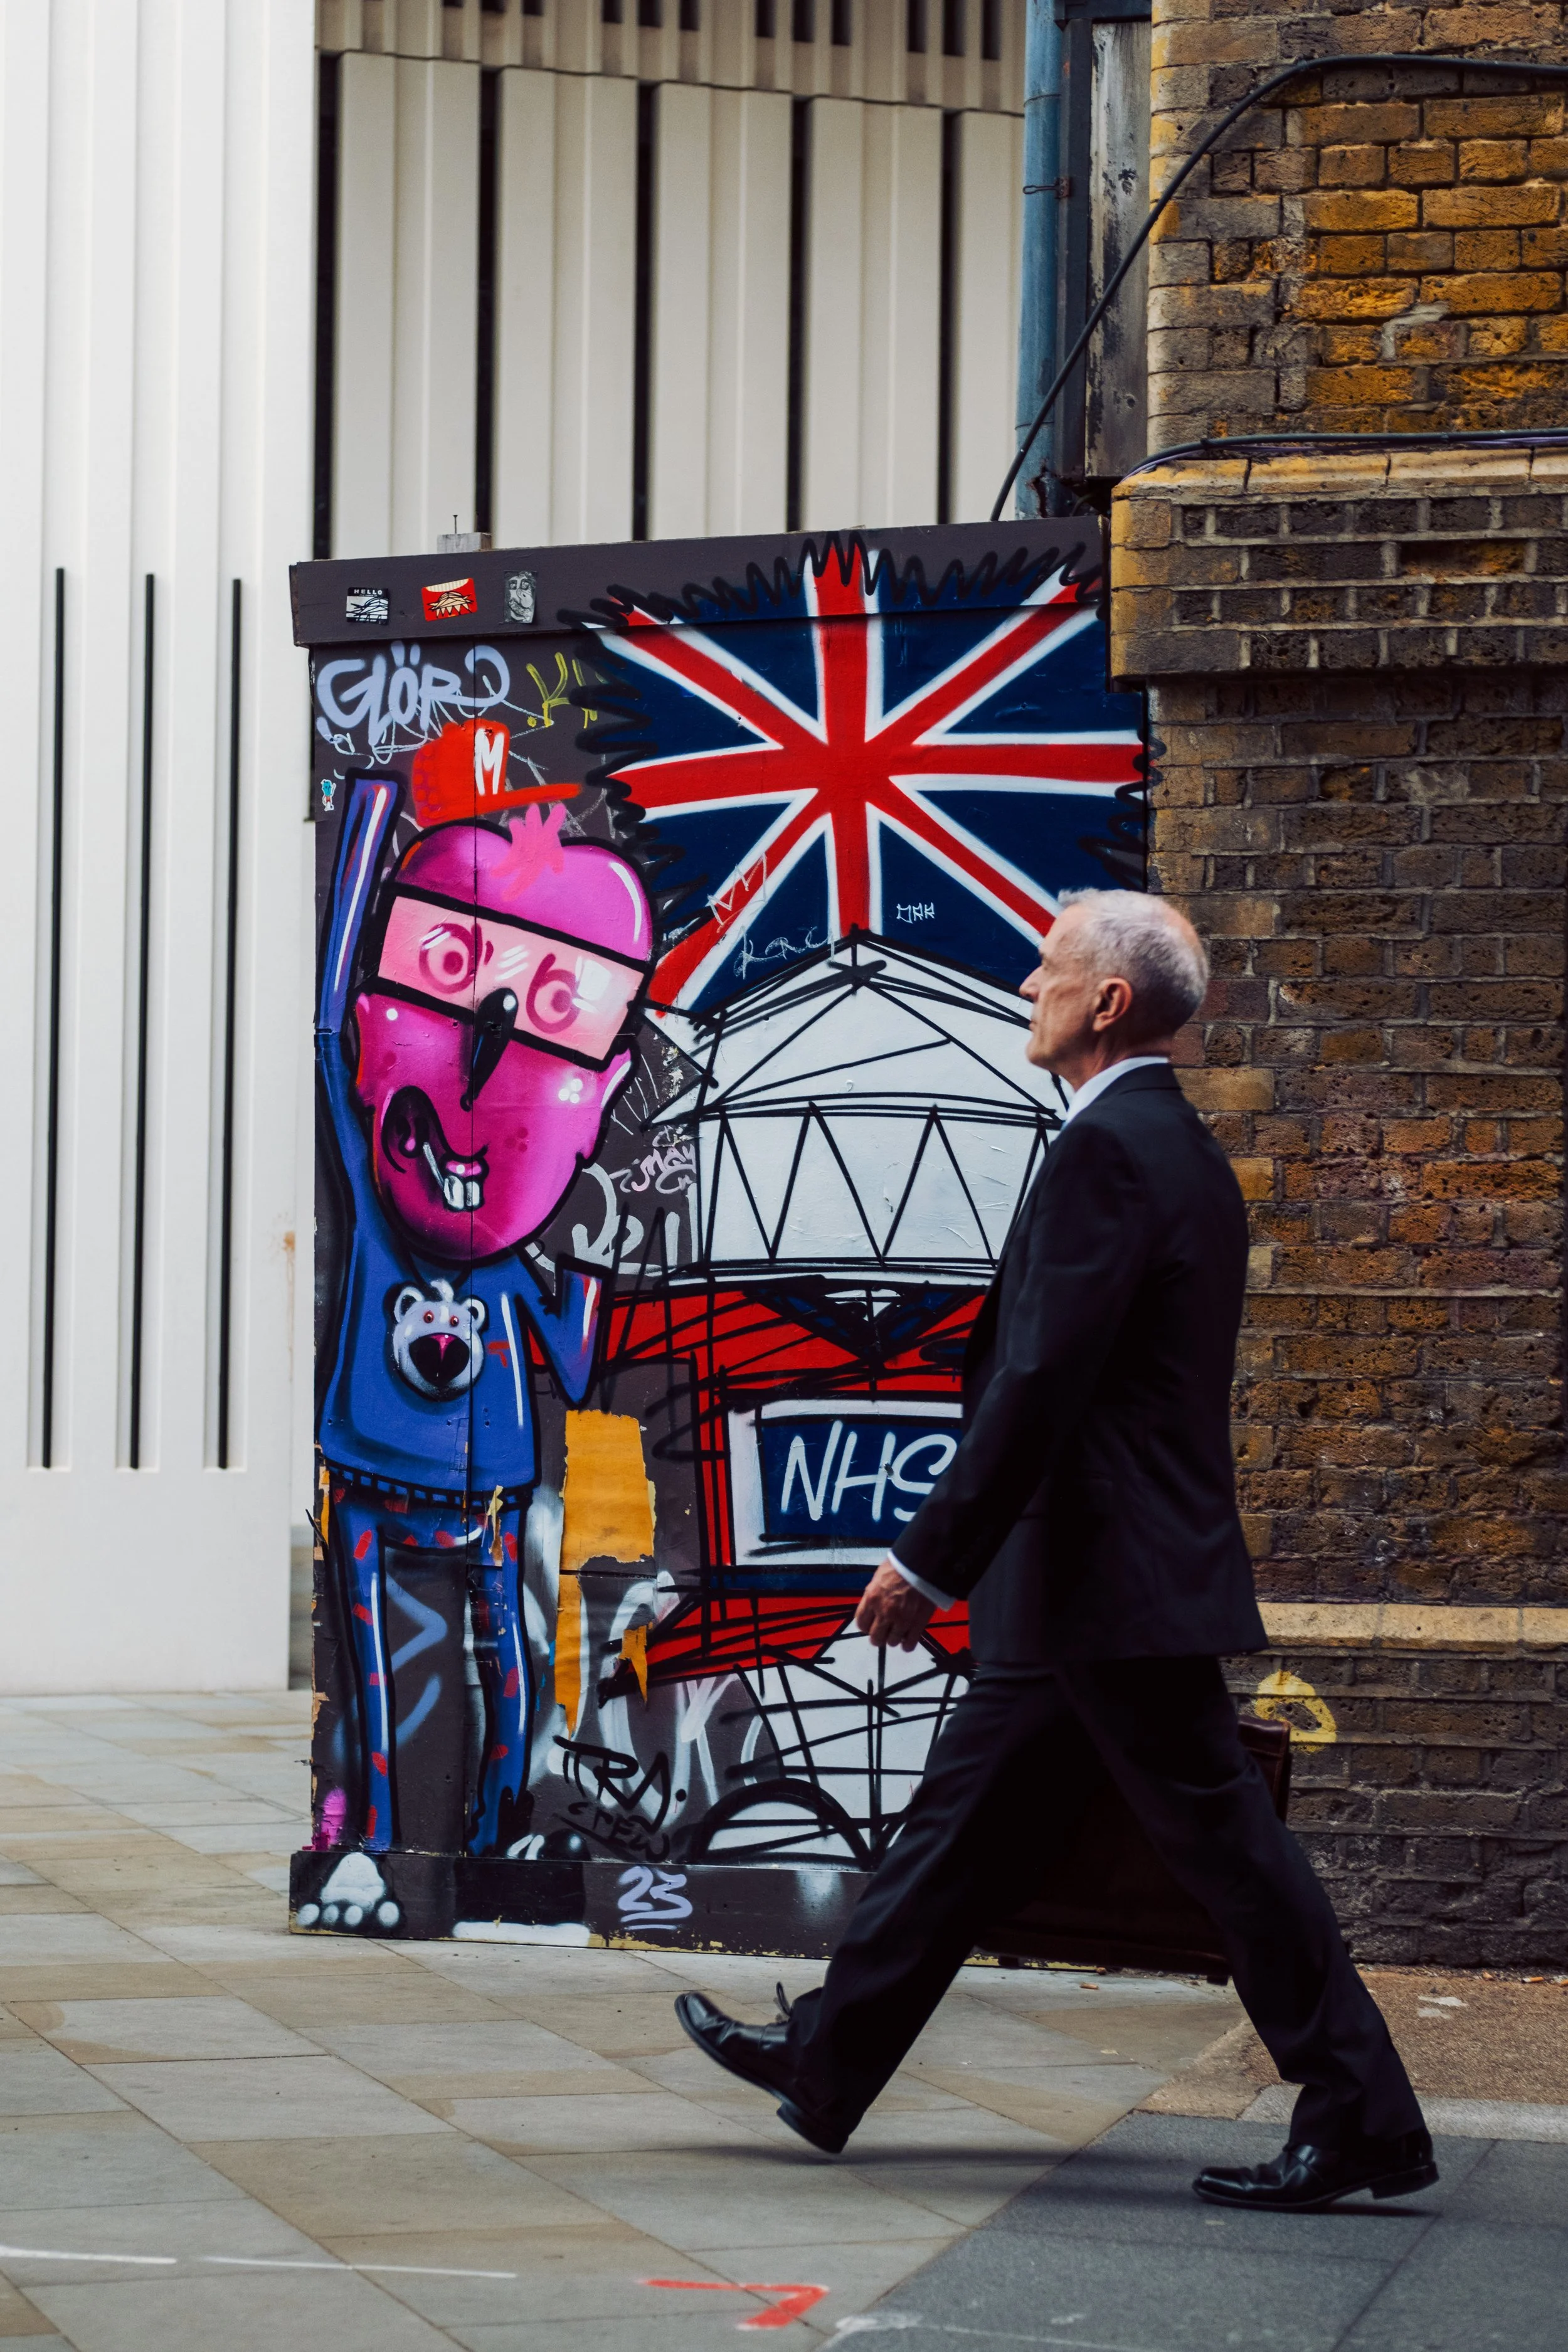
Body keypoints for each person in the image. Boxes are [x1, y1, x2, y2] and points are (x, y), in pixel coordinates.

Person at [674, 889, 1434, 2214]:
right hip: (1085, 1581)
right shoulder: (1165, 1147)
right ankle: (828, 2057)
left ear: (1106, 1003)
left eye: (1047, 972)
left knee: (1229, 1856)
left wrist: (927, 1559)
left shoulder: (1112, 1151)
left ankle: (1360, 2109)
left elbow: (1039, 1380)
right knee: (955, 1834)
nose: (1027, 988)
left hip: (1106, 1580)